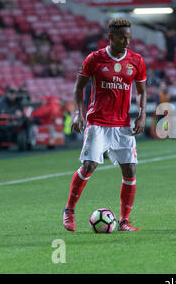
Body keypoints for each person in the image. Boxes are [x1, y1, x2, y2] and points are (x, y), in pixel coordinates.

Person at [62, 18, 147, 232]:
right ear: (110, 37)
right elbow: (78, 88)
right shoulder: (95, 59)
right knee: (89, 166)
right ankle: (69, 210)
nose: (127, 42)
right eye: (122, 38)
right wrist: (78, 114)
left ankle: (124, 221)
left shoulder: (136, 60)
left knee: (130, 171)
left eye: (129, 37)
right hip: (97, 122)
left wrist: (142, 115)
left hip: (123, 124)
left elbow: (142, 91)